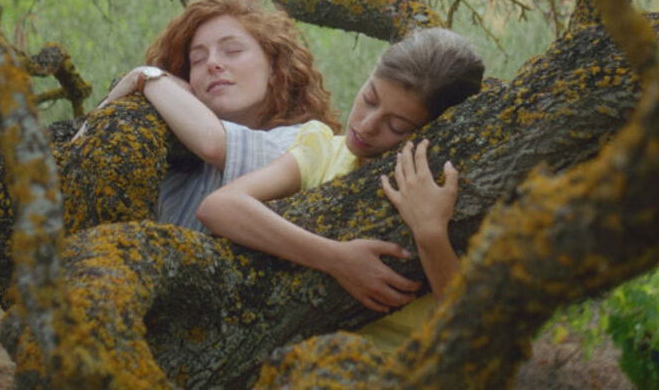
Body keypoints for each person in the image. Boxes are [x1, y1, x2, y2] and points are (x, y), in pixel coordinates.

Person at [197, 27, 484, 350]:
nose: (367, 125)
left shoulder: (458, 198)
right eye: (370, 99)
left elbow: (475, 340)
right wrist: (335, 258)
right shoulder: (324, 151)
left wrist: (431, 235)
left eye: (397, 126)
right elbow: (219, 207)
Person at [82, 0, 340, 230]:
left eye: (232, 50)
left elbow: (214, 144)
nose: (212, 63)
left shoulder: (304, 140)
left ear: (274, 68)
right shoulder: (176, 164)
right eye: (197, 59)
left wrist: (146, 75)